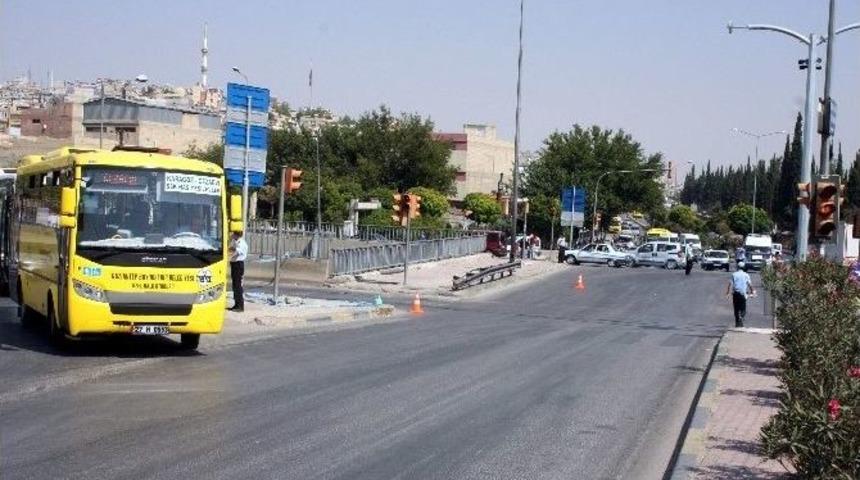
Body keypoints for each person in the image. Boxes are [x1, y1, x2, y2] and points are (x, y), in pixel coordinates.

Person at [726, 261, 755, 328]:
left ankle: (737, 322)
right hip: (742, 294)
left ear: (737, 267)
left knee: (736, 308)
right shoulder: (746, 275)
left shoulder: (734, 274)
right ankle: (741, 317)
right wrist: (753, 291)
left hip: (735, 294)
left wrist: (727, 293)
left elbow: (730, 284)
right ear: (743, 267)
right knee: (743, 308)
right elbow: (750, 284)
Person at [228, 231, 248, 312]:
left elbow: (237, 252)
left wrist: (231, 251)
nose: (231, 235)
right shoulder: (235, 241)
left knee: (238, 286)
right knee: (235, 286)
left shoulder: (241, 243)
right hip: (234, 264)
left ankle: (240, 306)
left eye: (233, 234)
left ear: (236, 234)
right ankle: (236, 304)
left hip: (238, 265)